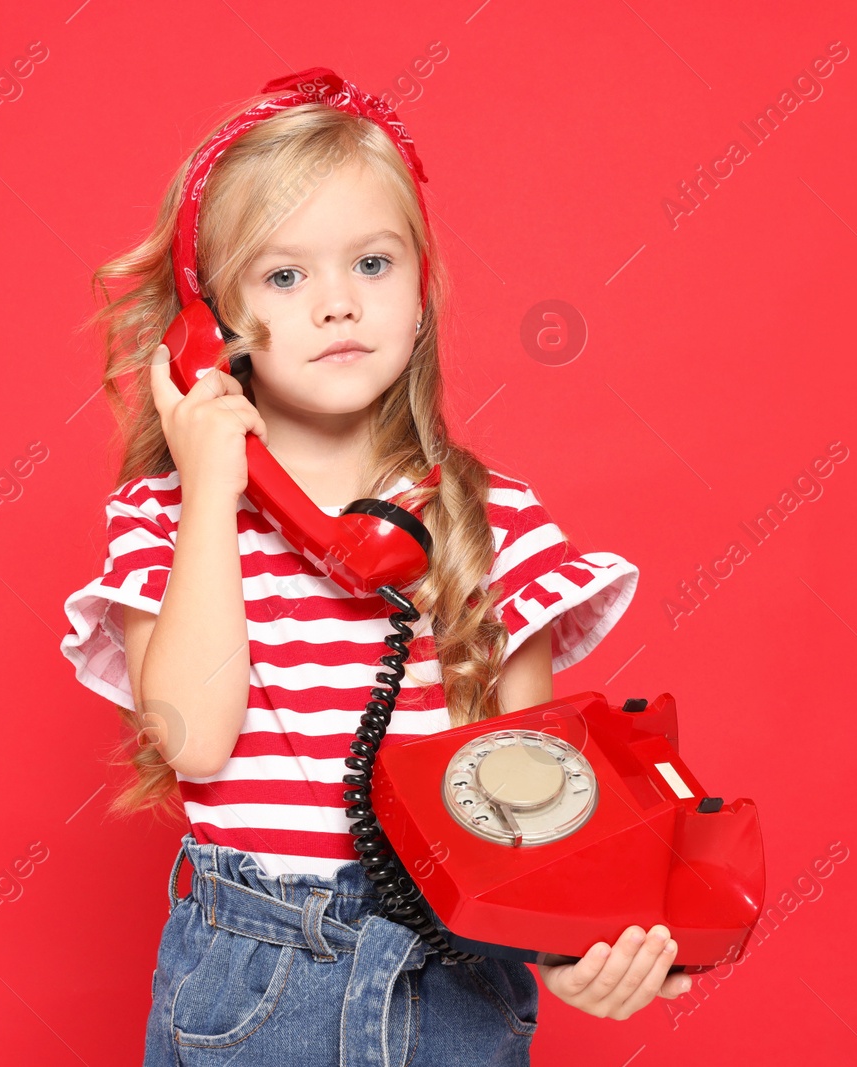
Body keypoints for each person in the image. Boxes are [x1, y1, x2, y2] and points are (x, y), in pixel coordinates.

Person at [60, 67, 691, 1066]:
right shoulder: (171, 522)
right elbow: (194, 735)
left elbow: (525, 790)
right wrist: (214, 491)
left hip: (454, 975)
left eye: (371, 262)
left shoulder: (494, 524)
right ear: (207, 324)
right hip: (255, 979)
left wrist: (576, 949)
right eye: (283, 276)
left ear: (420, 283)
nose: (337, 304)